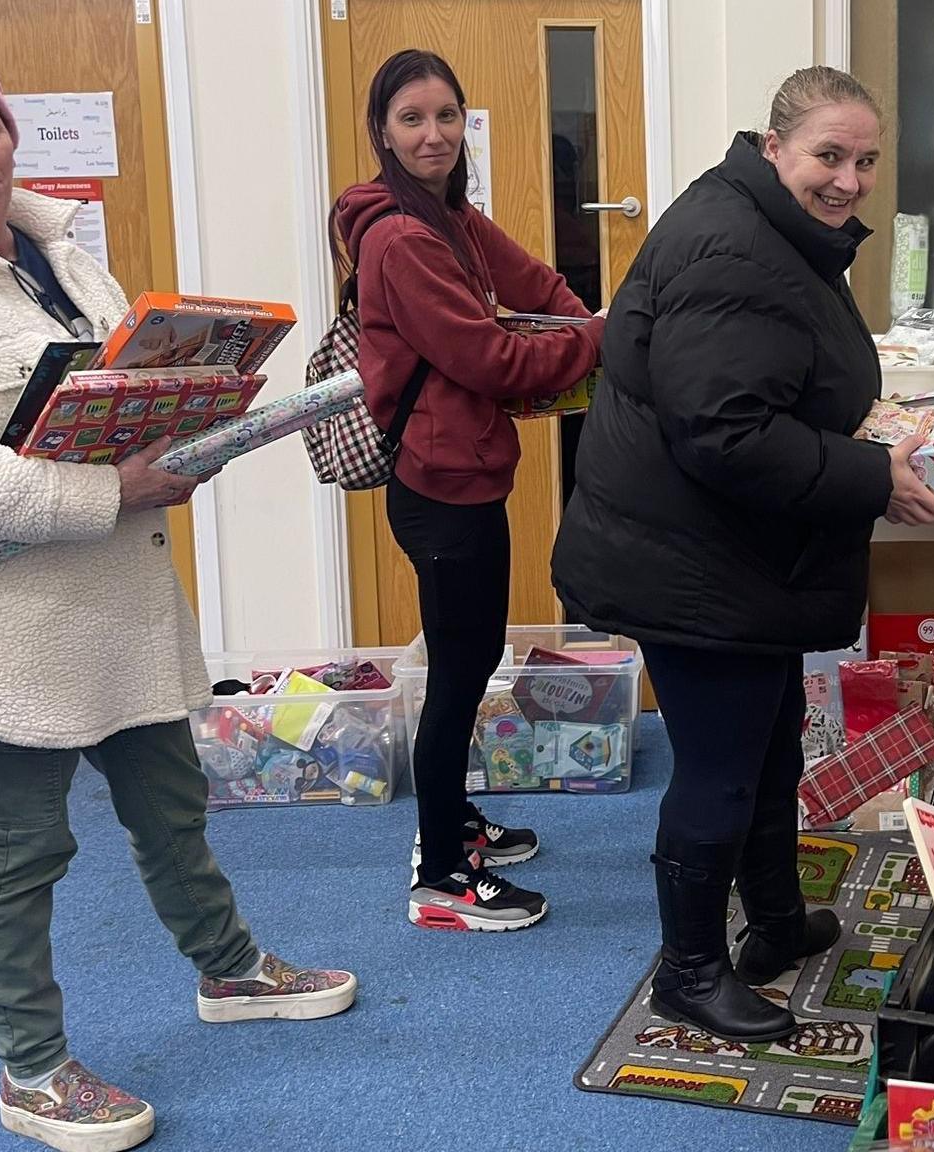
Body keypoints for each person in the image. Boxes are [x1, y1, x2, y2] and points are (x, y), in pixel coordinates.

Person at [0, 51, 354, 1152]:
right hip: (7, 628)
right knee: (21, 852)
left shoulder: (60, 254)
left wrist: (185, 428)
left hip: (121, 598)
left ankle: (229, 971)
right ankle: (30, 1068)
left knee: (171, 810)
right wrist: (105, 486)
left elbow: (111, 390)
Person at [552, 66, 934, 1043]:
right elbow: (723, 432)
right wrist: (869, 477)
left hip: (728, 550)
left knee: (768, 745)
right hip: (690, 561)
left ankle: (772, 922)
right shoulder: (732, 248)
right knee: (720, 768)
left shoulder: (770, 229)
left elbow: (769, 388)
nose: (849, 179)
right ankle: (688, 971)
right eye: (828, 155)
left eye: (863, 159)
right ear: (773, 148)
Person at [330, 49, 602, 932]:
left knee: (470, 654)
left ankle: (453, 820)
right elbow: (489, 357)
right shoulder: (403, 239)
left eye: (447, 115)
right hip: (439, 489)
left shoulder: (451, 219)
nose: (433, 133)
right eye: (412, 118)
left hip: (468, 475)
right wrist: (597, 346)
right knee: (458, 671)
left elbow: (539, 288)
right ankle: (441, 872)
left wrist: (583, 318)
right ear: (382, 132)